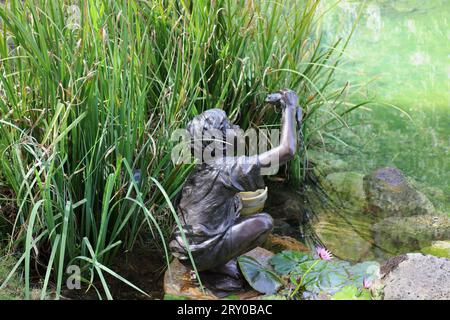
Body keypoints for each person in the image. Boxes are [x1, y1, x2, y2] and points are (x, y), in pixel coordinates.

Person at [169, 89, 300, 294]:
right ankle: (215, 271)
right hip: (200, 253)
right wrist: (289, 108)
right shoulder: (224, 168)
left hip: (188, 251)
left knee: (239, 210)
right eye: (228, 126)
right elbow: (287, 151)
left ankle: (215, 265)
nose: (237, 127)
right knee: (263, 222)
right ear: (217, 139)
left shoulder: (203, 167)